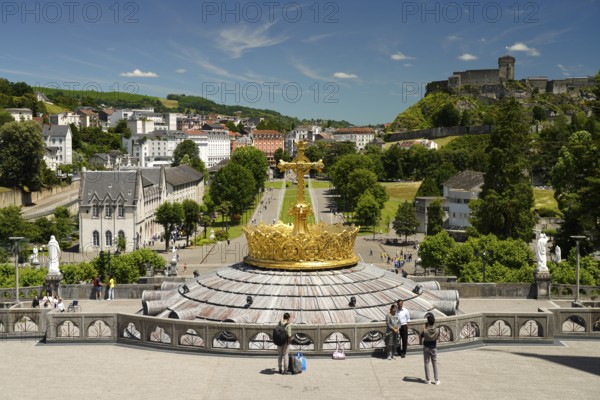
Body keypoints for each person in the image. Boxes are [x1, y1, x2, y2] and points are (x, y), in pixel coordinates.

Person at [420, 313, 440, 385]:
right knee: (435, 364)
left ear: (428, 322)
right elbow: (438, 337)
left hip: (426, 347)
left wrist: (425, 327)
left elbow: (421, 336)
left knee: (426, 363)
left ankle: (428, 379)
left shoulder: (425, 331)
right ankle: (436, 380)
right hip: (433, 347)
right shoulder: (437, 330)